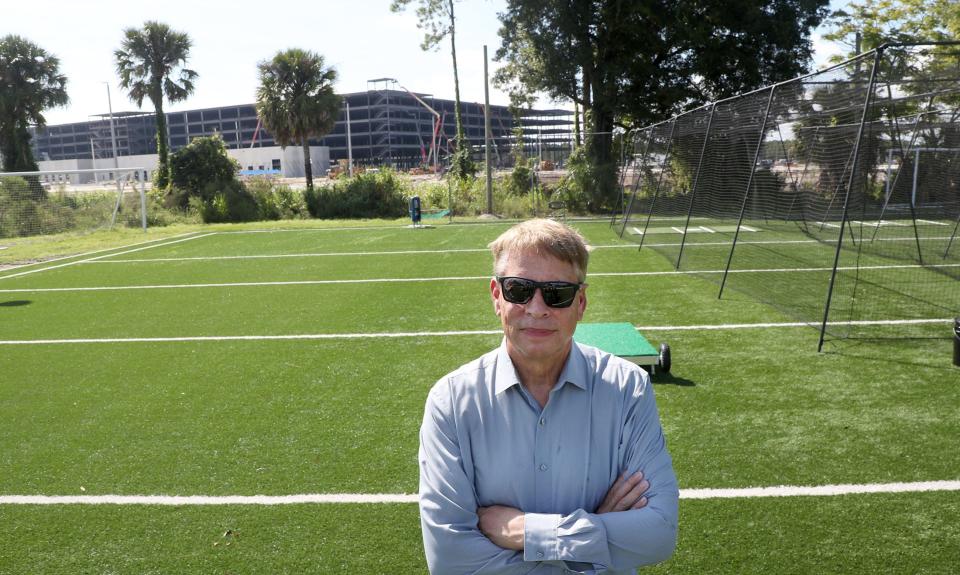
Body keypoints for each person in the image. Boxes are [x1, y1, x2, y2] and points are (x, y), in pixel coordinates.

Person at [418, 219, 679, 574]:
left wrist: (526, 532)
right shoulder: (450, 402)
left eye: (557, 293)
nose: (537, 308)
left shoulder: (628, 389)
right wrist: (597, 536)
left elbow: (658, 533)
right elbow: (450, 561)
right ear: (497, 296)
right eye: (519, 289)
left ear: (581, 303)